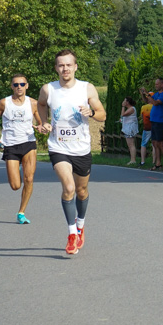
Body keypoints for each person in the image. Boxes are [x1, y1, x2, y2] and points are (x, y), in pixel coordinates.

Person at [36, 49, 106, 255]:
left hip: (81, 148)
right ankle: (71, 233)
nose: (65, 68)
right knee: (69, 188)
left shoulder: (87, 88)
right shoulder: (49, 89)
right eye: (61, 65)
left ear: (75, 67)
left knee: (82, 191)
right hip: (58, 147)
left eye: (68, 65)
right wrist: (44, 122)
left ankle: (81, 225)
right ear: (56, 68)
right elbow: (41, 105)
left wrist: (91, 112)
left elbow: (102, 114)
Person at [0, 74, 42, 224]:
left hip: (28, 143)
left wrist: (41, 126)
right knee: (15, 186)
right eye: (16, 84)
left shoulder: (33, 103)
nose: (19, 87)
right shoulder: (4, 103)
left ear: (27, 85)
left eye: (22, 84)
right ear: (11, 86)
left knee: (29, 179)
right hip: (10, 145)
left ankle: (21, 212)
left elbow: (41, 121)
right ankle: (17, 169)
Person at [148, 77, 163, 170]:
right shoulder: (156, 94)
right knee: (154, 142)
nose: (156, 86)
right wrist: (144, 94)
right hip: (154, 121)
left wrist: (148, 95)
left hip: (160, 121)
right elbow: (147, 101)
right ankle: (158, 163)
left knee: (160, 143)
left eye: (157, 84)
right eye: (155, 84)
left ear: (162, 84)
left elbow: (156, 103)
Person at [119, 95, 139, 165]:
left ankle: (133, 160)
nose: (123, 102)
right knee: (130, 144)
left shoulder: (131, 109)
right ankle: (132, 159)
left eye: (124, 100)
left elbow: (123, 114)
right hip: (127, 127)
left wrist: (123, 107)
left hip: (130, 128)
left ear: (127, 102)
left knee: (131, 144)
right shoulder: (129, 109)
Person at [138, 95, 156, 168]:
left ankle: (142, 161)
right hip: (154, 127)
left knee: (143, 144)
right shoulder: (155, 106)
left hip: (146, 128)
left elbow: (142, 117)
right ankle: (154, 161)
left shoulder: (143, 107)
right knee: (154, 145)